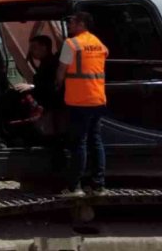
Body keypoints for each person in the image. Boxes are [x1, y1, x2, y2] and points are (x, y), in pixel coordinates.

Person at [56, 11, 109, 197]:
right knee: (96, 141)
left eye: (72, 22)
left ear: (81, 24)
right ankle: (98, 185)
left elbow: (61, 71)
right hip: (98, 99)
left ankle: (74, 187)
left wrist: (56, 87)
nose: (69, 25)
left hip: (79, 101)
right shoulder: (98, 43)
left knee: (79, 143)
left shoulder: (71, 44)